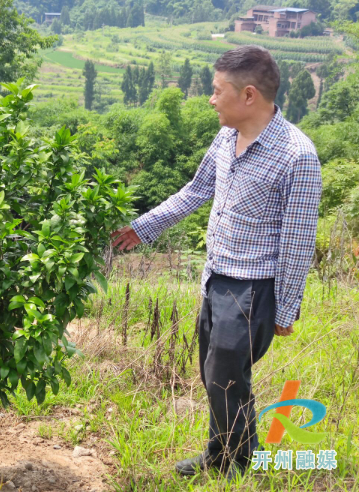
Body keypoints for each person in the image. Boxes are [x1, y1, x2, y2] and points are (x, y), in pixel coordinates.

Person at [111, 45, 322, 480]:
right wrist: (142, 228)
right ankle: (221, 453)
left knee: (226, 378)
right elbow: (194, 191)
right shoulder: (227, 137)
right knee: (215, 376)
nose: (210, 98)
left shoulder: (297, 157)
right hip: (216, 279)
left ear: (248, 95)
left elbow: (298, 243)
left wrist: (285, 309)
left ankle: (240, 467)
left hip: (253, 289)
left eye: (216, 90)